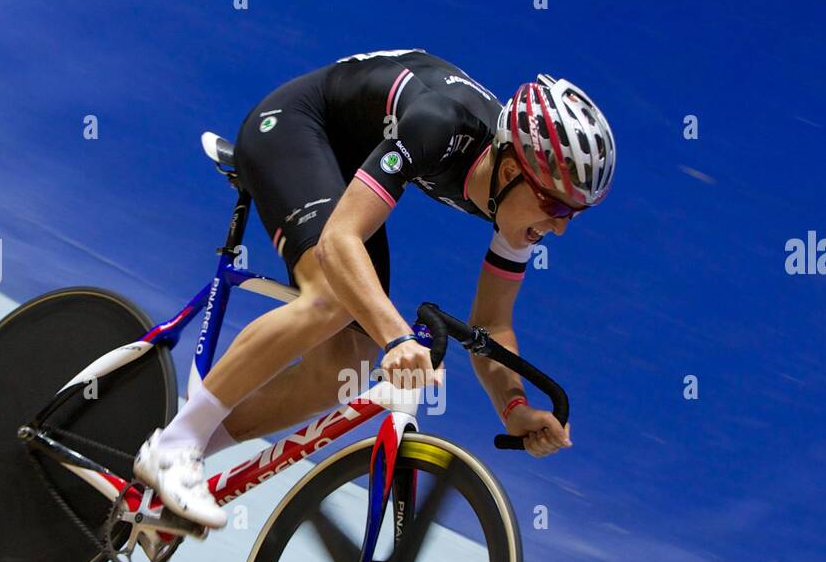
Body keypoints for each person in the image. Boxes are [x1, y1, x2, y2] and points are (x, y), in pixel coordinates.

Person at [134, 49, 615, 528]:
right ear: (512, 172)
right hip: (297, 128)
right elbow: (338, 242)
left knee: (346, 367)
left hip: (349, 165)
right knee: (332, 296)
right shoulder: (440, 125)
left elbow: (491, 324)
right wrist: (398, 338)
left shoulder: (515, 202)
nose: (561, 228)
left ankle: (173, 469)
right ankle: (175, 445)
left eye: (574, 214)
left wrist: (513, 408)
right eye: (556, 208)